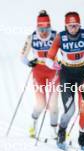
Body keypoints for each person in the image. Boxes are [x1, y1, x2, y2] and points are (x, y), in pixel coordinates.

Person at [46, 12, 84, 151]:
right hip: (66, 74)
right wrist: (52, 64)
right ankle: (62, 130)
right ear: (66, 26)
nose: (73, 28)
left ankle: (82, 137)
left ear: (79, 25)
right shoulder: (60, 37)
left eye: (76, 25)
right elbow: (49, 57)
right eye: (70, 26)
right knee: (71, 110)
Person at [20, 10, 60, 139]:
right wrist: (28, 62)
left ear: (50, 26)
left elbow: (65, 52)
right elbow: (22, 56)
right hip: (38, 71)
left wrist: (63, 63)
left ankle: (55, 131)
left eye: (46, 28)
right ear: (37, 27)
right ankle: (33, 124)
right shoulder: (31, 37)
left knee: (53, 103)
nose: (43, 32)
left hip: (53, 71)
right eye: (41, 28)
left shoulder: (56, 36)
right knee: (41, 104)